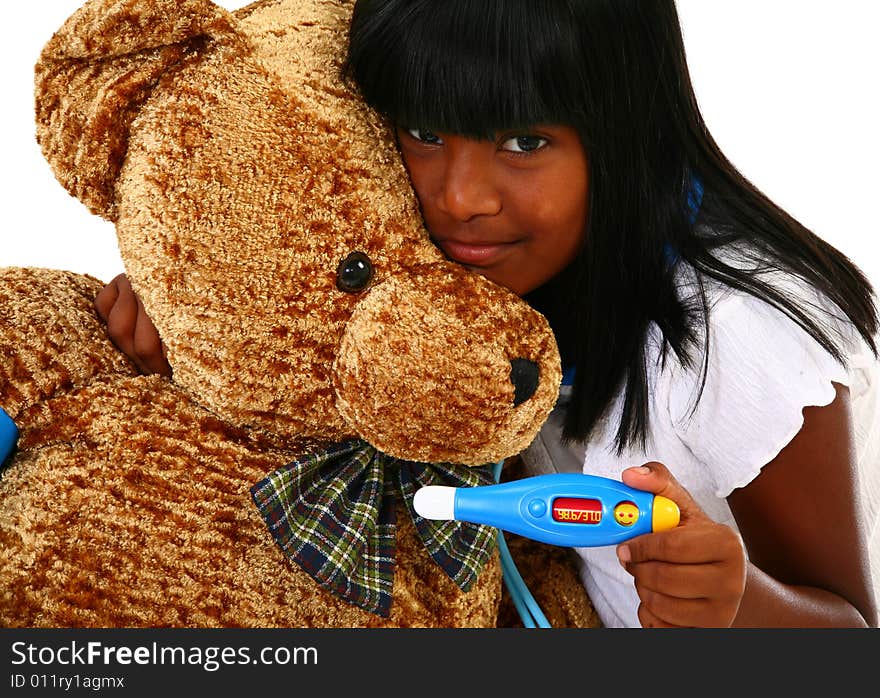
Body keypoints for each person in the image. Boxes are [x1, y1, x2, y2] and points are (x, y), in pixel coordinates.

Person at [94, 0, 879, 628]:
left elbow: (850, 633)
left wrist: (738, 605)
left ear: (627, 134)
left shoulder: (740, 339)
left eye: (525, 141)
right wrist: (201, 310)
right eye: (426, 131)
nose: (461, 198)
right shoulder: (437, 236)